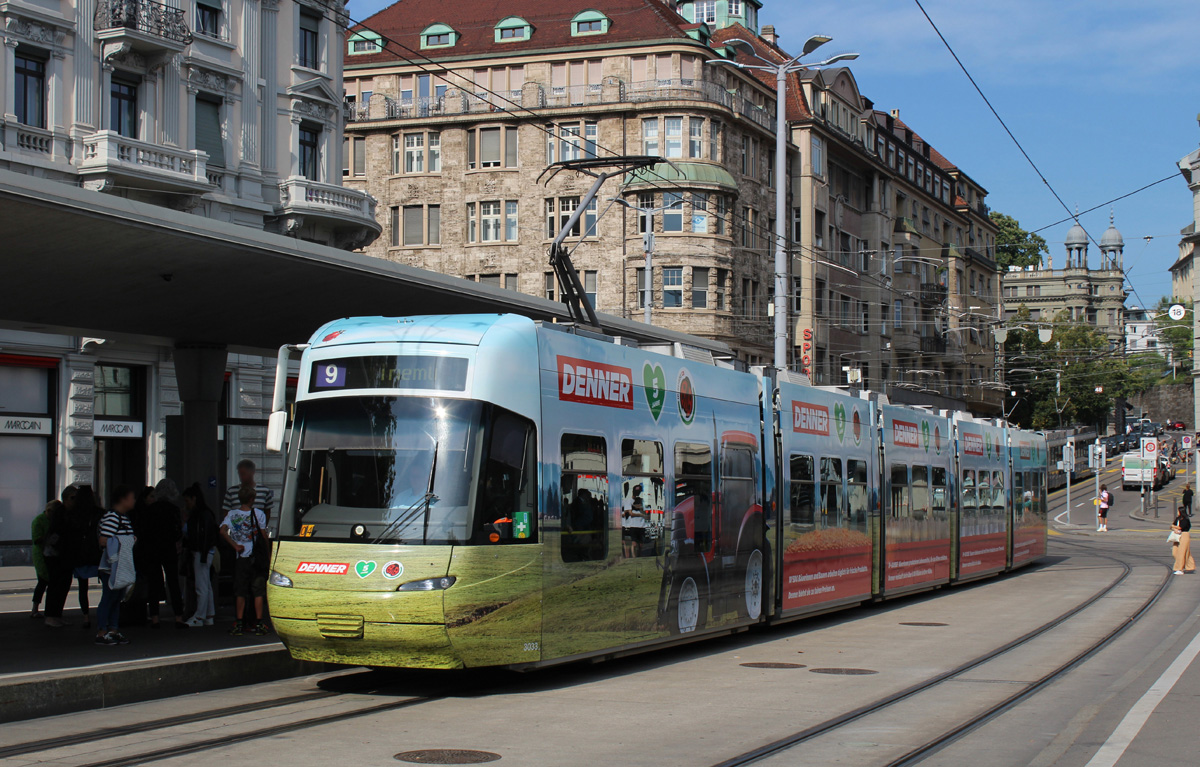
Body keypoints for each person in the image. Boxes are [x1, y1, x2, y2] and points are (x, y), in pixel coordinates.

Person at [221, 485, 270, 636]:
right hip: (255, 558)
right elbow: (263, 535)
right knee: (258, 591)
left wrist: (235, 545)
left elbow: (222, 531)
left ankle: (239, 622)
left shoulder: (232, 514)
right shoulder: (258, 513)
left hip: (240, 558)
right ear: (252, 499)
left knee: (240, 591)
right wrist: (268, 554)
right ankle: (259, 622)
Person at [140, 479, 188, 629]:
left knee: (154, 583)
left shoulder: (150, 510)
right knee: (173, 582)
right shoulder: (174, 509)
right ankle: (178, 617)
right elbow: (177, 531)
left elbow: (144, 531)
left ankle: (155, 618)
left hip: (153, 549)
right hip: (169, 549)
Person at [96, 486, 137, 645]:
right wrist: (127, 541)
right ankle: (102, 631)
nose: (134, 501)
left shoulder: (124, 518)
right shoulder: (112, 517)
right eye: (132, 497)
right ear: (123, 499)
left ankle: (113, 629)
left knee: (116, 598)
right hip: (111, 567)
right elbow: (103, 540)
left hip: (121, 566)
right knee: (108, 597)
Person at [182, 483, 219, 627]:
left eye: (187, 500)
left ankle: (200, 616)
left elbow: (197, 535)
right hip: (206, 551)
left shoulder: (199, 515)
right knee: (206, 585)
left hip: (200, 551)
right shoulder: (206, 513)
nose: (187, 503)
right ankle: (209, 615)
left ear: (194, 498)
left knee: (201, 586)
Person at [68, 485, 104, 629]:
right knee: (106, 585)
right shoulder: (99, 513)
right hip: (97, 553)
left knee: (83, 588)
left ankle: (85, 616)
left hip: (80, 553)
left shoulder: (74, 514)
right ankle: (104, 614)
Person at [41, 494, 74, 628]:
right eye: (72, 497)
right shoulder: (60, 514)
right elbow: (58, 533)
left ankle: (56, 615)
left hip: (60, 553)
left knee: (62, 584)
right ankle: (51, 615)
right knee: (56, 584)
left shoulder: (65, 513)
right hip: (56, 554)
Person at [223, 459, 274, 526]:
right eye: (240, 474)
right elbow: (226, 513)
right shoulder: (231, 492)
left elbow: (267, 513)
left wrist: (262, 528)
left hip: (257, 531)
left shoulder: (264, 491)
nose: (241, 477)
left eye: (244, 474)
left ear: (252, 472)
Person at [30, 501, 55, 618]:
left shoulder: (52, 520)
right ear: (49, 511)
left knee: (48, 582)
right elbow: (36, 538)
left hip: (51, 553)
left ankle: (47, 609)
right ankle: (35, 608)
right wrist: (49, 538)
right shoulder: (38, 521)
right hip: (41, 554)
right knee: (43, 581)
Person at [622, 483, 648, 558]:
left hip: (642, 525)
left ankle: (639, 556)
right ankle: (633, 557)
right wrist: (640, 514)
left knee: (641, 544)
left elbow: (645, 510)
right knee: (634, 543)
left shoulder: (642, 500)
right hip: (633, 525)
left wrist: (640, 509)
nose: (637, 494)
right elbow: (630, 513)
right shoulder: (628, 501)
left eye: (639, 492)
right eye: (636, 492)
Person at [1171, 505, 1196, 575]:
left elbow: (1182, 527)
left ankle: (1180, 569)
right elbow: (1172, 525)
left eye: (1178, 511)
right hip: (1177, 536)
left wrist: (1175, 528)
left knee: (1182, 552)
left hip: (1184, 535)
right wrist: (1174, 528)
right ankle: (1188, 566)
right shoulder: (1178, 518)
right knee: (1175, 552)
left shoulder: (1185, 519)